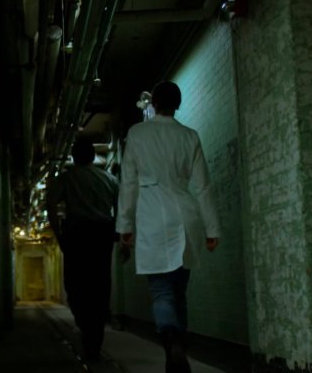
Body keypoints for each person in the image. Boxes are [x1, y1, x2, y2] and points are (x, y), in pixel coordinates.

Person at [116, 81, 220, 373]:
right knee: (179, 292)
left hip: (152, 218)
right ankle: (180, 346)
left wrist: (124, 225)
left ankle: (171, 342)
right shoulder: (190, 136)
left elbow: (129, 183)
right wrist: (212, 230)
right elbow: (202, 186)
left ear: (153, 103)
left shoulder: (137, 134)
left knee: (162, 293)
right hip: (185, 218)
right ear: (178, 104)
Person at [46, 137, 119, 361]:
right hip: (102, 235)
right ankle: (95, 332)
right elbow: (121, 210)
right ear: (92, 156)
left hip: (77, 235)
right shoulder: (110, 180)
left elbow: (50, 204)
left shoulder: (66, 178)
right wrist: (120, 236)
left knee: (75, 284)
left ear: (74, 156)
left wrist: (59, 235)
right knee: (100, 284)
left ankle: (85, 324)